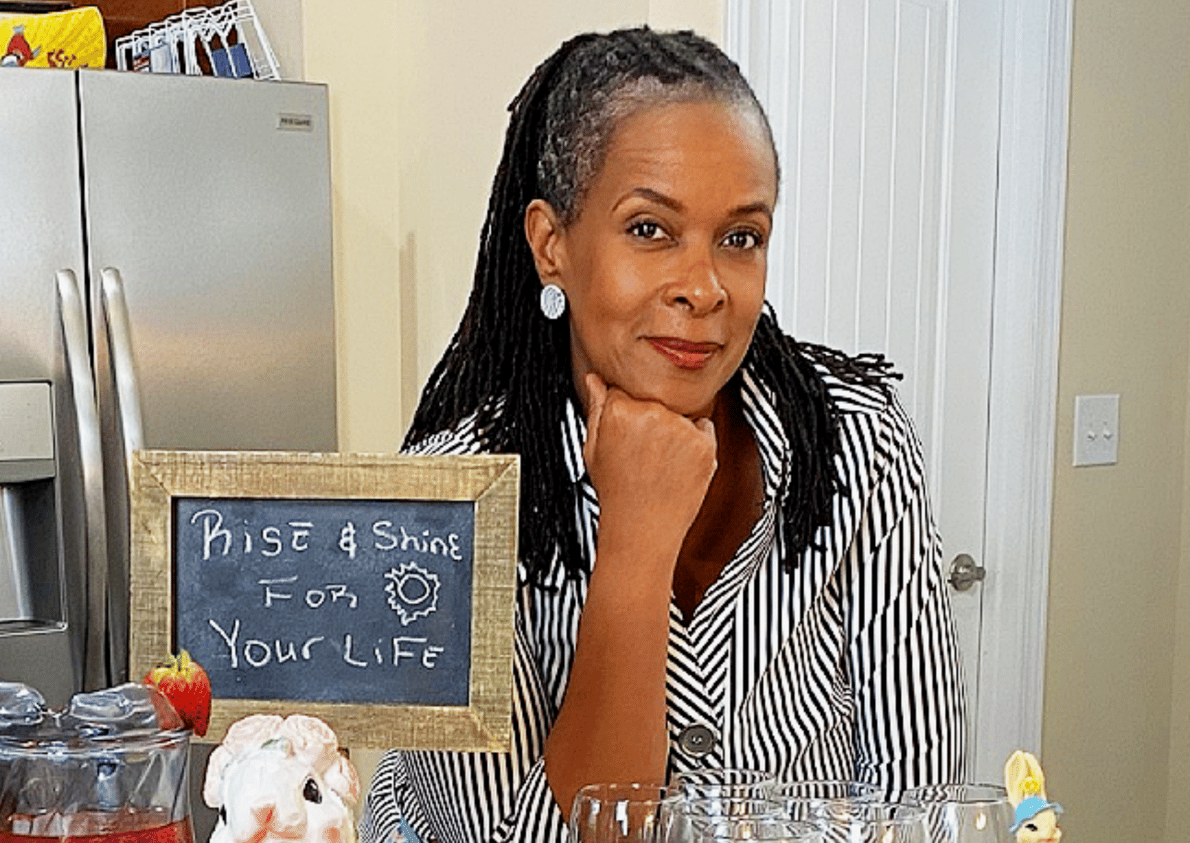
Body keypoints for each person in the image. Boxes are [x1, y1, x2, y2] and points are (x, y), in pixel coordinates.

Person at [359, 27, 964, 843]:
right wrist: (637, 542)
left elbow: (920, 809)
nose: (704, 288)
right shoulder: (446, 508)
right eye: (650, 229)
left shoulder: (860, 446)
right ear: (551, 245)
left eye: (740, 238)